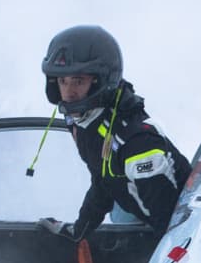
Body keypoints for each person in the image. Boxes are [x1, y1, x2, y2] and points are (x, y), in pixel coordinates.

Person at [37, 25, 190, 243]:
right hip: (139, 206)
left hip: (180, 227)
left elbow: (170, 224)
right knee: (119, 212)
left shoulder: (137, 143)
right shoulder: (88, 124)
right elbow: (103, 182)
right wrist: (78, 232)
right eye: (63, 81)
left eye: (78, 81)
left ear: (100, 80)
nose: (69, 92)